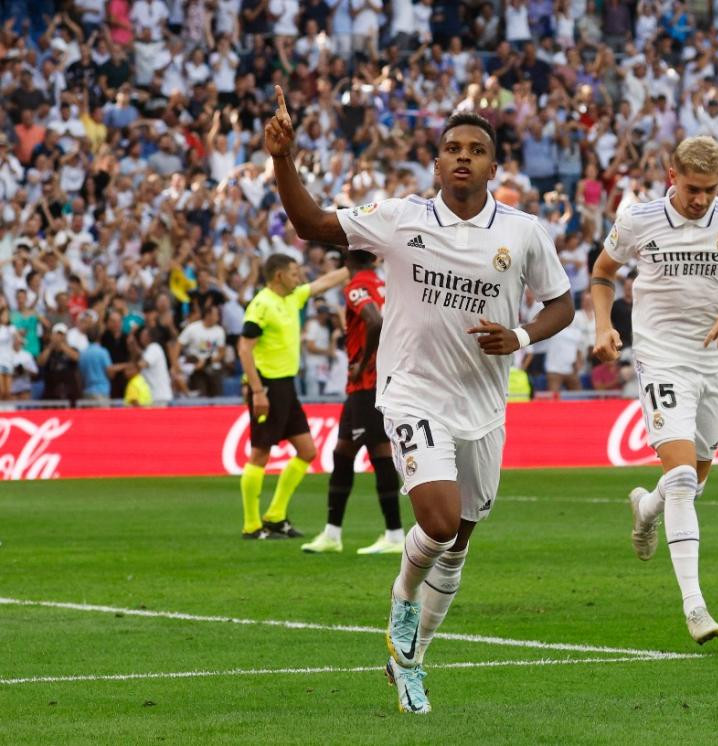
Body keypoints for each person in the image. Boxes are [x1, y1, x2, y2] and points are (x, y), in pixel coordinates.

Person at [265, 91, 573, 714]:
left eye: (477, 151)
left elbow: (560, 305)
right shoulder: (401, 218)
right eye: (452, 149)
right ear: (436, 164)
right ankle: (402, 602)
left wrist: (519, 336)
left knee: (458, 544)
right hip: (410, 393)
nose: (463, 158)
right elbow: (312, 224)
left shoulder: (524, 233)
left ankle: (410, 661)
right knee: (435, 521)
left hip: (482, 405)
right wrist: (284, 161)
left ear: (494, 167)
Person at [590, 135, 718, 645]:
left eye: (710, 189)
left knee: (692, 483)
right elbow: (602, 274)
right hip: (660, 358)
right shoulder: (638, 219)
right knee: (680, 478)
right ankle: (695, 606)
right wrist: (602, 326)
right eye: (692, 188)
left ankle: (645, 509)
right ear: (670, 174)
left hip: (717, 361)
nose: (700, 199)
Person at [237, 253, 348, 540]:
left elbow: (325, 282)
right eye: (294, 272)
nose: (299, 277)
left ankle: (275, 516)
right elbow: (244, 349)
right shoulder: (261, 305)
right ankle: (251, 525)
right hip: (268, 387)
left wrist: (362, 263)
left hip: (287, 386)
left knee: (307, 451)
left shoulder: (293, 298)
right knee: (260, 453)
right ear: (278, 275)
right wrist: (257, 390)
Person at [301, 249, 406, 556]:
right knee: (343, 452)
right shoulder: (382, 282)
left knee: (380, 452)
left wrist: (362, 361)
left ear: (347, 261)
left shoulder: (357, 286)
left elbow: (374, 322)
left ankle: (395, 534)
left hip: (368, 384)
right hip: (366, 384)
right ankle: (332, 534)